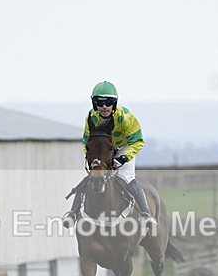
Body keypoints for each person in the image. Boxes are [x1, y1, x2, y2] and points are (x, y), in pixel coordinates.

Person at [62, 81, 157, 229]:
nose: (104, 106)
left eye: (108, 102)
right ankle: (73, 213)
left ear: (114, 103)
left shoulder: (125, 117)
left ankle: (145, 214)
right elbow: (87, 139)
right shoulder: (91, 116)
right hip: (102, 148)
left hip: (125, 147)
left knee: (127, 176)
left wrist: (122, 158)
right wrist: (90, 159)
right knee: (92, 176)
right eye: (100, 103)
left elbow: (138, 141)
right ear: (94, 104)